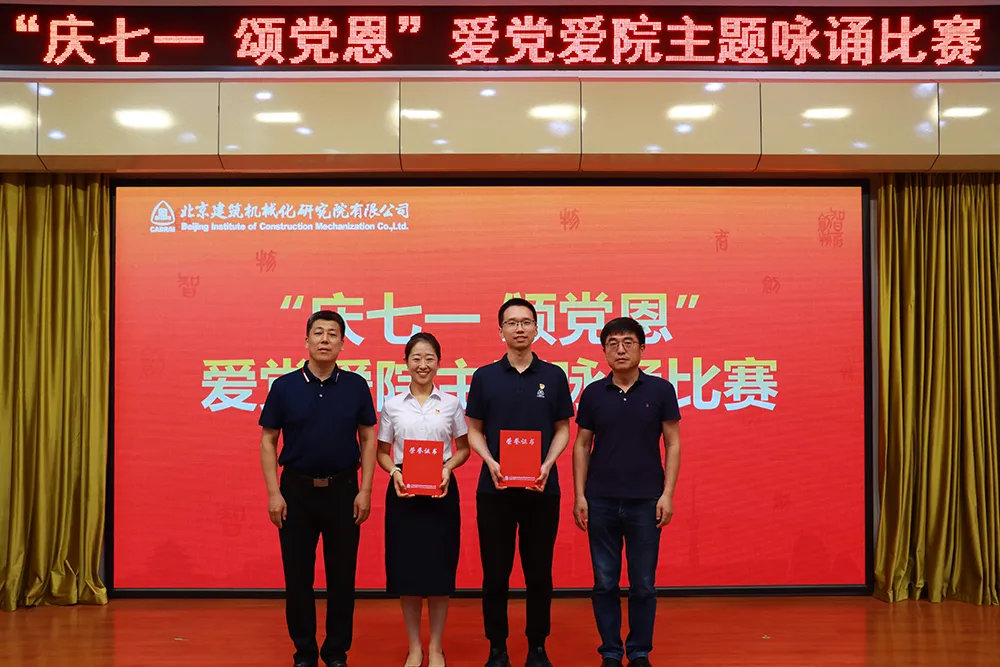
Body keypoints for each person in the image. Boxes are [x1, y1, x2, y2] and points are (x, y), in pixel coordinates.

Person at [259, 310, 378, 667]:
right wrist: (273, 493)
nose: (325, 339)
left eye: (333, 334)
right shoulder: (284, 386)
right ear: (306, 340)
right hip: (296, 491)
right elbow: (268, 441)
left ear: (343, 343)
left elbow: (368, 438)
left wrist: (365, 490)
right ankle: (305, 653)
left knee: (342, 577)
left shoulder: (356, 385)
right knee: (298, 578)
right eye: (318, 333)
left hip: (343, 490)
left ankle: (336, 652)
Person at [466, 298, 575, 667]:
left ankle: (537, 647)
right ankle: (497, 648)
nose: (519, 328)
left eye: (526, 322)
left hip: (541, 489)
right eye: (511, 323)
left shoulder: (553, 376)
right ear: (501, 331)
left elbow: (563, 429)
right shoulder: (485, 377)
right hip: (494, 489)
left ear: (537, 328)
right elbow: (474, 430)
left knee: (539, 573)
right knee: (495, 574)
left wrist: (547, 464)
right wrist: (491, 462)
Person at [571, 317, 681, 667]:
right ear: (604, 350)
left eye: (628, 342)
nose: (620, 349)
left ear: (642, 349)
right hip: (600, 499)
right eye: (613, 343)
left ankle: (639, 651)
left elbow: (673, 443)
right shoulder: (592, 393)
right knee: (604, 582)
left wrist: (667, 494)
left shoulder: (660, 390)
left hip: (646, 500)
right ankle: (610, 651)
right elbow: (581, 445)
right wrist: (579, 495)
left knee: (643, 583)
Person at [377, 332, 471, 667]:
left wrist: (448, 468)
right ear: (406, 362)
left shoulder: (451, 404)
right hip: (404, 490)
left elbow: (463, 449)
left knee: (439, 572)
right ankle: (415, 646)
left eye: (429, 358)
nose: (422, 364)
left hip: (441, 489)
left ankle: (436, 648)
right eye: (416, 357)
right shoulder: (392, 405)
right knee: (408, 572)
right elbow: (383, 452)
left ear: (439, 363)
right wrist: (394, 472)